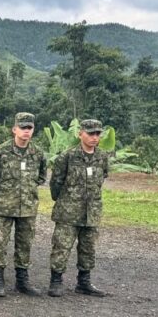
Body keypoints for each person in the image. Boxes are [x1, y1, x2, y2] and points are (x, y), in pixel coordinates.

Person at [0, 112, 47, 297]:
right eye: (23, 128)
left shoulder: (37, 153)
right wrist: (2, 192)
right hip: (4, 206)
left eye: (30, 128)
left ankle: (22, 281)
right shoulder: (1, 151)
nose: (26, 132)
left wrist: (27, 191)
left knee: (25, 244)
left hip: (27, 207)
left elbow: (42, 176)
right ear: (14, 129)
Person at [48, 119, 110, 297]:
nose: (94, 137)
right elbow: (56, 183)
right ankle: (56, 281)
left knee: (88, 248)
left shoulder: (102, 157)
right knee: (61, 246)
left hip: (91, 211)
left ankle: (84, 282)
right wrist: (63, 200)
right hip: (68, 211)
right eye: (90, 133)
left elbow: (102, 178)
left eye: (97, 134)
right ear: (80, 133)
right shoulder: (67, 156)